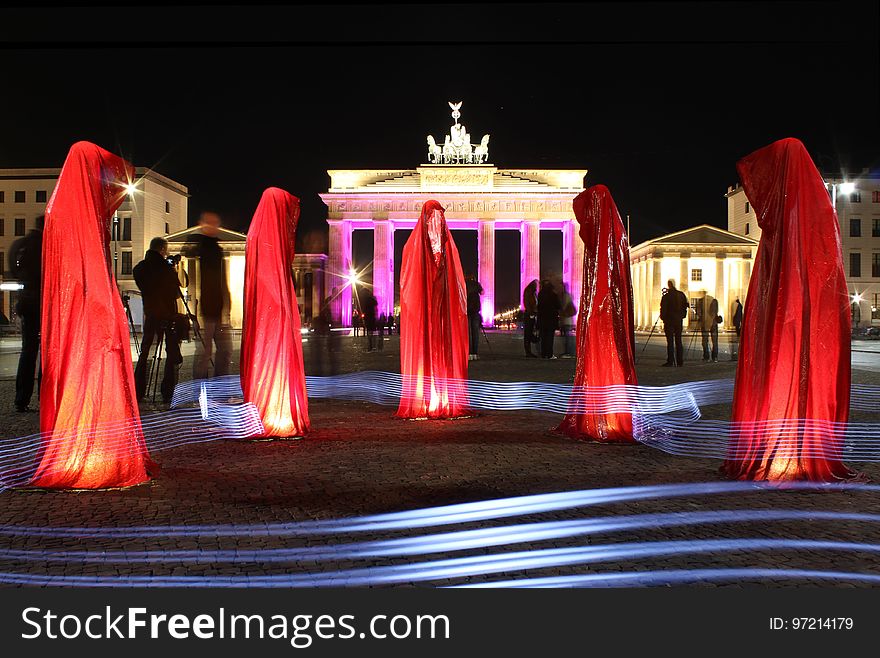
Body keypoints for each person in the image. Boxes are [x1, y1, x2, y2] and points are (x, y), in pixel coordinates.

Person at [133, 237, 183, 404]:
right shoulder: (166, 268)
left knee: (146, 352)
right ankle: (168, 390)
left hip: (151, 314)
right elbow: (177, 292)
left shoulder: (139, 268)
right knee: (171, 353)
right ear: (162, 249)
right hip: (168, 316)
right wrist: (173, 269)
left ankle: (138, 389)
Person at [183, 211, 232, 380]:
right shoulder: (204, 248)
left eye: (215, 223)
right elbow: (209, 281)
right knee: (207, 351)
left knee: (221, 350)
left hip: (216, 307)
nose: (214, 226)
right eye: (210, 223)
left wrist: (226, 303)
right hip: (208, 308)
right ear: (202, 224)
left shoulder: (213, 247)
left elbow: (221, 281)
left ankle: (216, 383)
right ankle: (203, 385)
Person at [10, 215, 43, 412]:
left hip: (26, 301)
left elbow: (15, 270)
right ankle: (43, 396)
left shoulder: (20, 244)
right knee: (46, 354)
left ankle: (21, 399)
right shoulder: (44, 245)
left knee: (28, 352)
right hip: (42, 302)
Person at [659, 278, 689, 366]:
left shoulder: (666, 296)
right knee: (679, 341)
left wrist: (663, 317)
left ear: (669, 285)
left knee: (670, 342)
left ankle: (670, 361)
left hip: (669, 321)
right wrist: (682, 315)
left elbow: (663, 308)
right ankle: (680, 361)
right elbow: (686, 306)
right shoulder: (681, 295)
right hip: (678, 320)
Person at [536, 279, 561, 359]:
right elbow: (558, 306)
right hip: (551, 319)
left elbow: (539, 307)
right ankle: (550, 354)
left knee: (543, 337)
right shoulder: (553, 294)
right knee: (550, 338)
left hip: (542, 319)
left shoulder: (540, 294)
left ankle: (543, 354)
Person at [466, 274, 483, 361]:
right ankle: (475, 353)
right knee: (475, 332)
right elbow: (483, 292)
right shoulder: (476, 284)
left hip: (466, 311)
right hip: (475, 311)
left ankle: (468, 353)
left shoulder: (463, 283)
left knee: (467, 333)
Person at [558, 282, 577, 358]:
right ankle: (569, 352)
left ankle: (569, 353)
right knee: (567, 337)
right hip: (567, 320)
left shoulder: (565, 296)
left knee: (568, 338)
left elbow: (564, 308)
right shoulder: (567, 296)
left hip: (567, 320)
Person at [522, 279, 539, 357]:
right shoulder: (529, 292)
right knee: (528, 333)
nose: (538, 286)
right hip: (529, 315)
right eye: (537, 284)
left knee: (529, 333)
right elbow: (527, 303)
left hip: (532, 314)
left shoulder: (533, 292)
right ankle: (528, 352)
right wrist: (531, 313)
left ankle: (529, 351)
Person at [701, 295, 720, 362]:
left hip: (706, 323)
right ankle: (714, 356)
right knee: (714, 341)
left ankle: (706, 356)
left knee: (705, 341)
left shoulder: (701, 301)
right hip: (713, 323)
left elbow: (699, 313)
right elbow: (716, 311)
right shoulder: (714, 301)